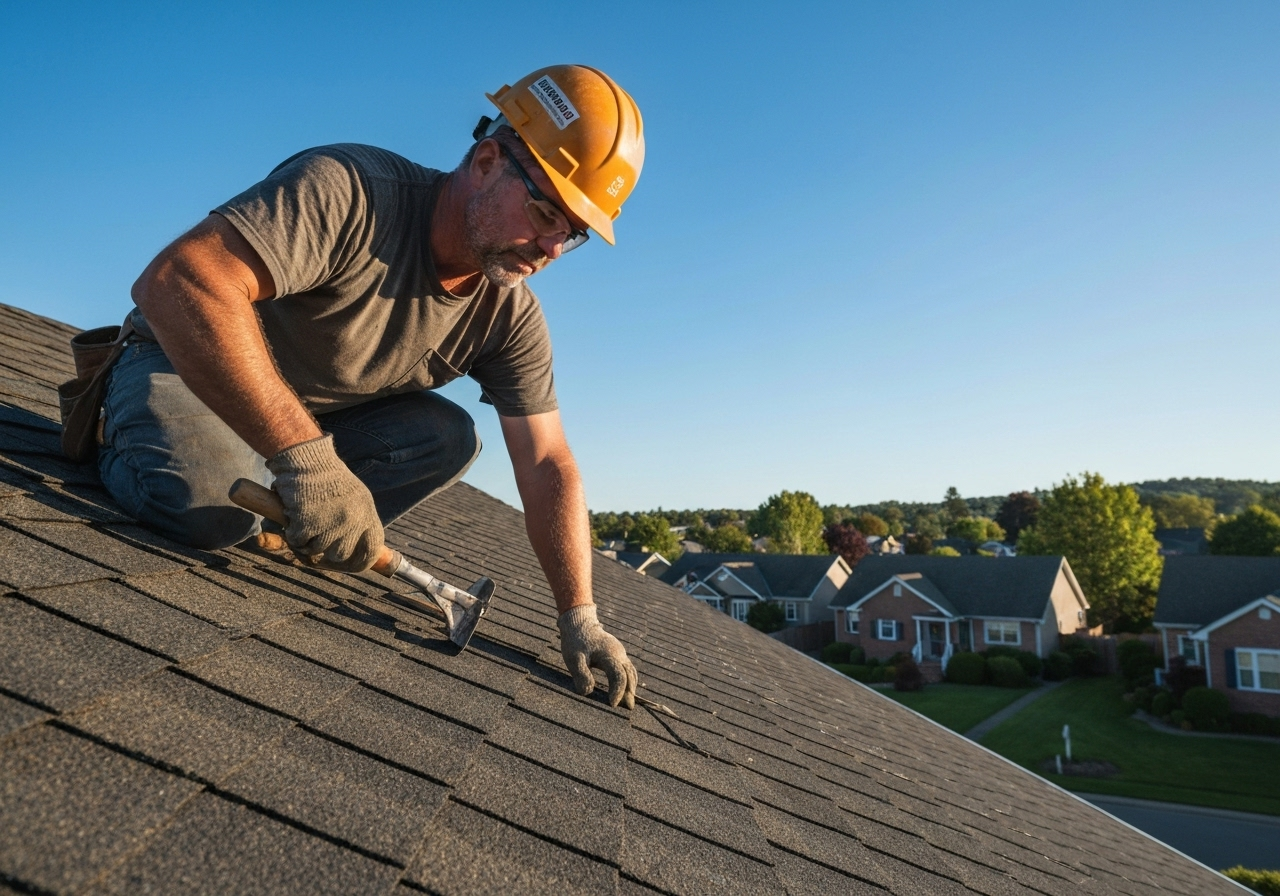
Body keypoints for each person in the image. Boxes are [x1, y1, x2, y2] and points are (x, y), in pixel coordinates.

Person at [99, 65, 643, 709]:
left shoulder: (508, 313)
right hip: (182, 366)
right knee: (199, 510)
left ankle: (286, 515)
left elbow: (548, 461)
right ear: (488, 161)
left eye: (572, 234)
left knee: (447, 434)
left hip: (296, 422)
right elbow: (181, 279)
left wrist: (578, 613)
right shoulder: (352, 191)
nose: (551, 246)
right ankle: (132, 442)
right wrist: (308, 459)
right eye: (546, 210)